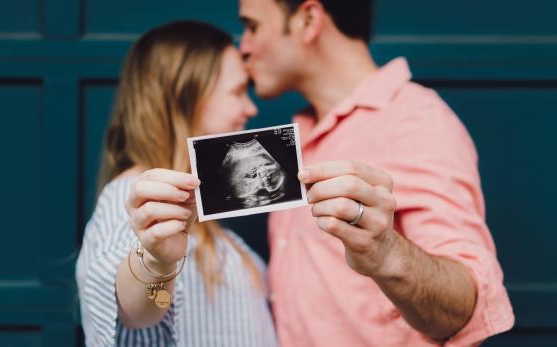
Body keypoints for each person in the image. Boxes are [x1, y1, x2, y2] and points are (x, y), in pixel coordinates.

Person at [238, 0, 514, 346]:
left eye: (252, 27)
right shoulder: (296, 135)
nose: (243, 48)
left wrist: (384, 253)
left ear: (308, 19)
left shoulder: (414, 120)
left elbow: (463, 310)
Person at [76, 20, 278, 346]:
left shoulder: (208, 223)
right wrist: (157, 262)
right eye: (238, 91)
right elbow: (135, 311)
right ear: (186, 96)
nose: (250, 108)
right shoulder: (134, 200)